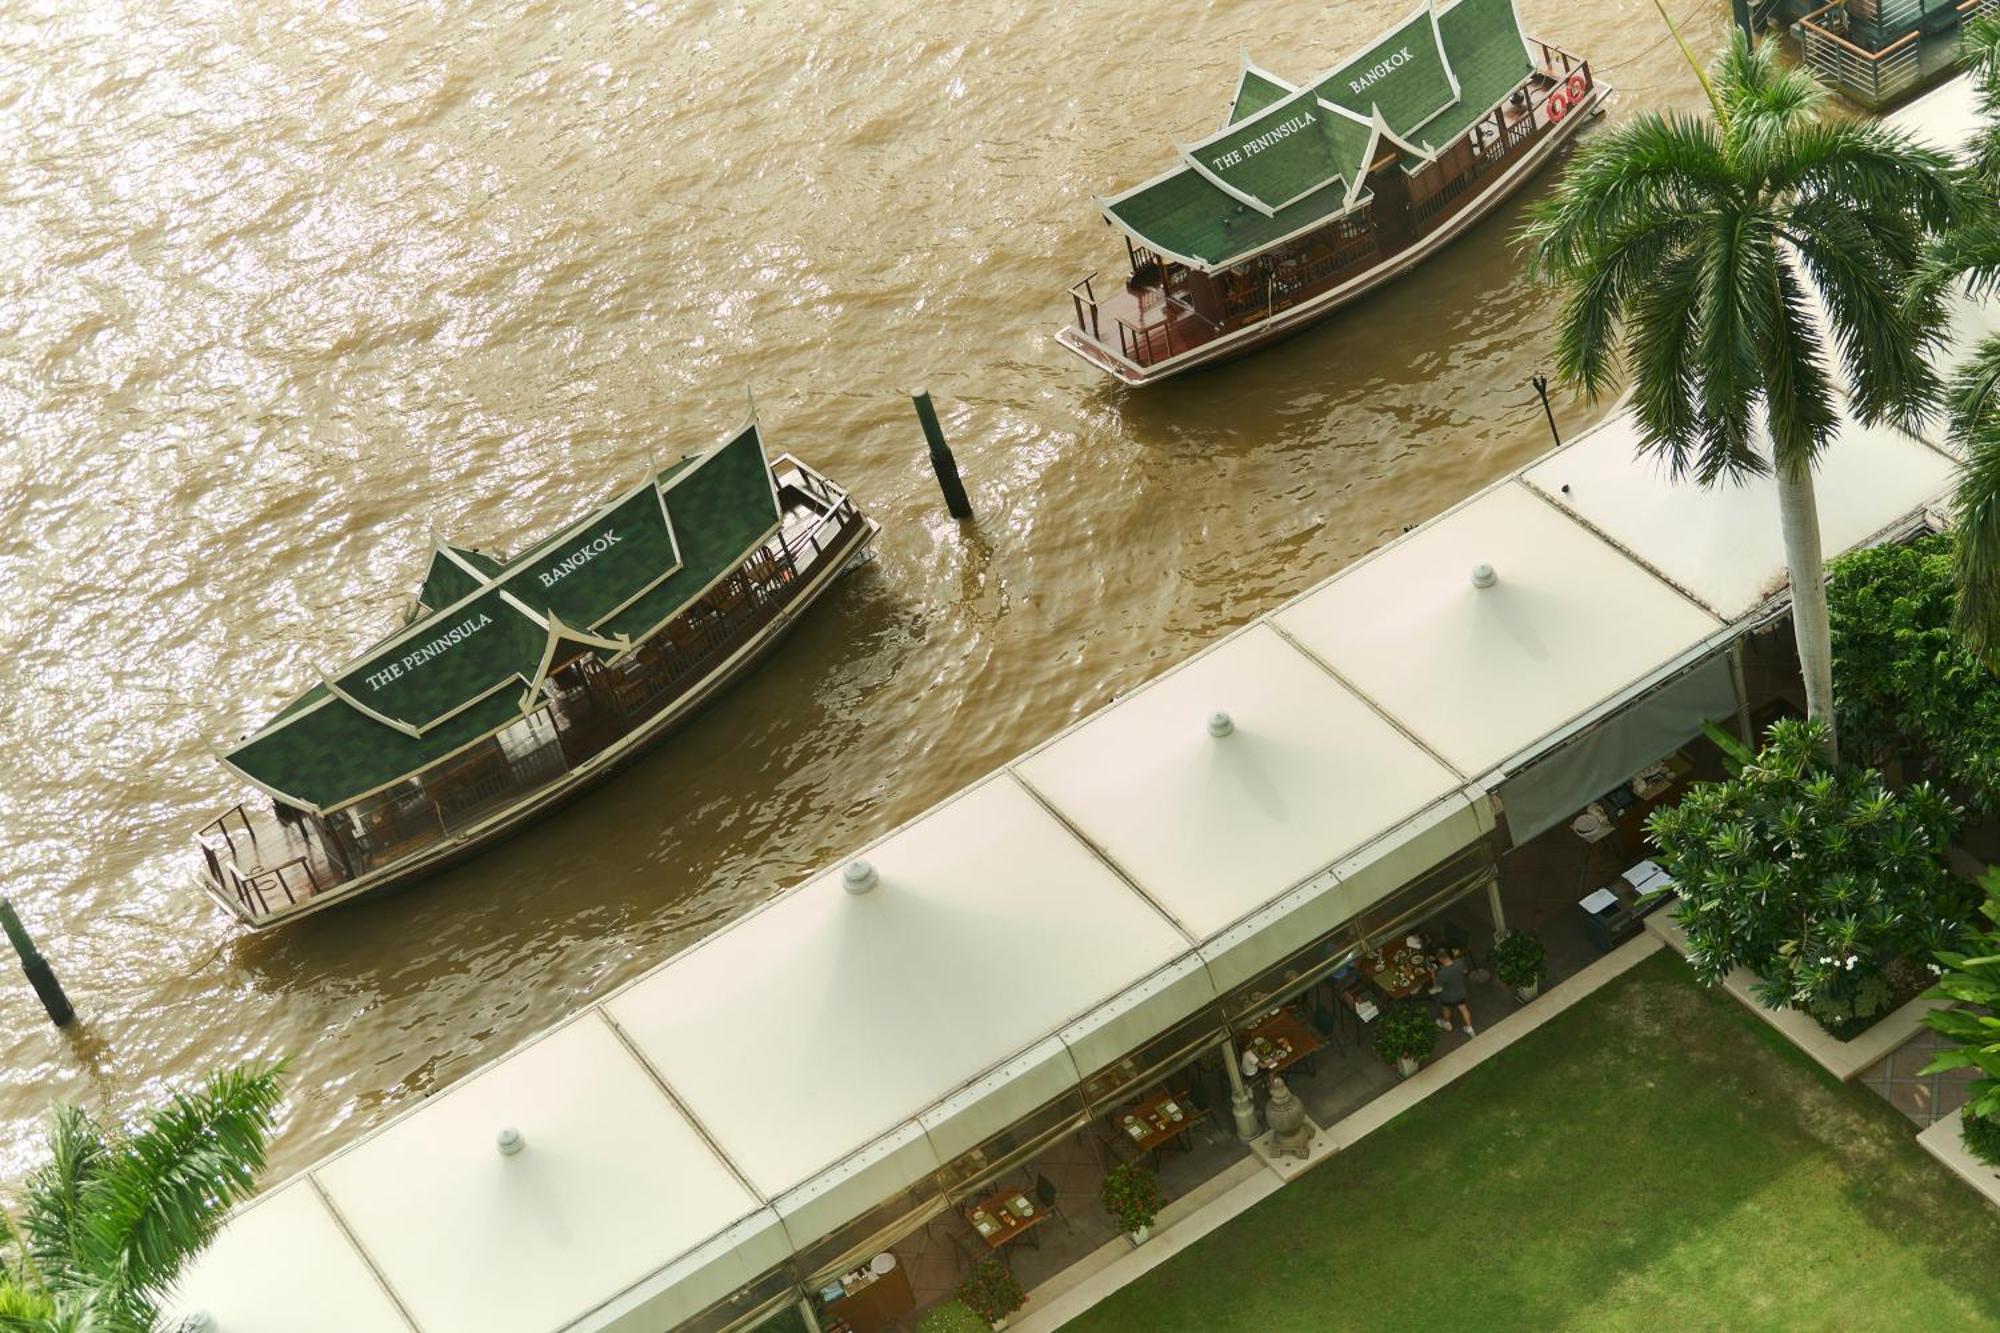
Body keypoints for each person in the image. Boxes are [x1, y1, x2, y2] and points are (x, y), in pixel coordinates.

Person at [1431, 944, 1474, 1038]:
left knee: (1446, 1009)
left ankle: (1447, 1023)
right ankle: (1470, 1029)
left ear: (1439, 959)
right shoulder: (1460, 962)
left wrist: (1433, 973)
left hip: (1448, 997)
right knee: (1463, 1008)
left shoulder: (1441, 973)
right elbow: (1465, 971)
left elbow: (1437, 986)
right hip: (1461, 992)